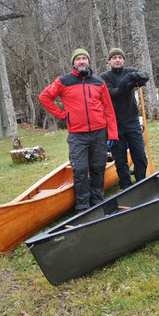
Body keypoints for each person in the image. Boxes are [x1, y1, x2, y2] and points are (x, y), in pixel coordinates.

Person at [39, 48, 118, 211]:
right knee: (80, 169)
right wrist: (62, 115)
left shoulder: (98, 82)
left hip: (99, 132)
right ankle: (82, 205)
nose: (81, 61)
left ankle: (97, 200)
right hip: (77, 135)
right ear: (73, 63)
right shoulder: (63, 81)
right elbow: (44, 97)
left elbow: (108, 108)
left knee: (98, 167)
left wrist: (112, 133)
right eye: (78, 59)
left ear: (88, 61)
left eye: (84, 58)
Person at [100, 48, 150, 190]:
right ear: (109, 61)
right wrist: (128, 83)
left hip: (132, 122)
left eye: (120, 57)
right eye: (114, 57)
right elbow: (112, 93)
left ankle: (142, 182)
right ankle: (126, 186)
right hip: (115, 125)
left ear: (123, 60)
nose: (117, 60)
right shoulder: (105, 77)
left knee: (140, 155)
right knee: (120, 159)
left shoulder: (130, 71)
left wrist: (133, 78)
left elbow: (145, 77)